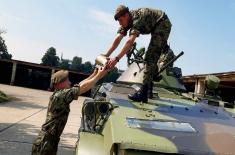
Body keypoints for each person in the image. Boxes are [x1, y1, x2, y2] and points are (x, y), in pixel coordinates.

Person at [31, 67, 108, 155]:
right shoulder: (60, 96)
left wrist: (94, 74)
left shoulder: (60, 93)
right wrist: (98, 75)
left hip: (49, 140)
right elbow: (82, 88)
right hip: (45, 142)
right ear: (60, 83)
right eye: (67, 80)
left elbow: (79, 85)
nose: (70, 82)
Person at [104, 5, 172, 103]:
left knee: (150, 56)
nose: (120, 23)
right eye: (118, 21)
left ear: (127, 15)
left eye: (121, 20)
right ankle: (149, 87)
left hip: (162, 23)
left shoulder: (137, 20)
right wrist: (107, 54)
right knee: (151, 58)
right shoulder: (126, 21)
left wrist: (116, 59)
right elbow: (118, 38)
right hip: (154, 26)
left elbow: (130, 42)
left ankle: (143, 94)